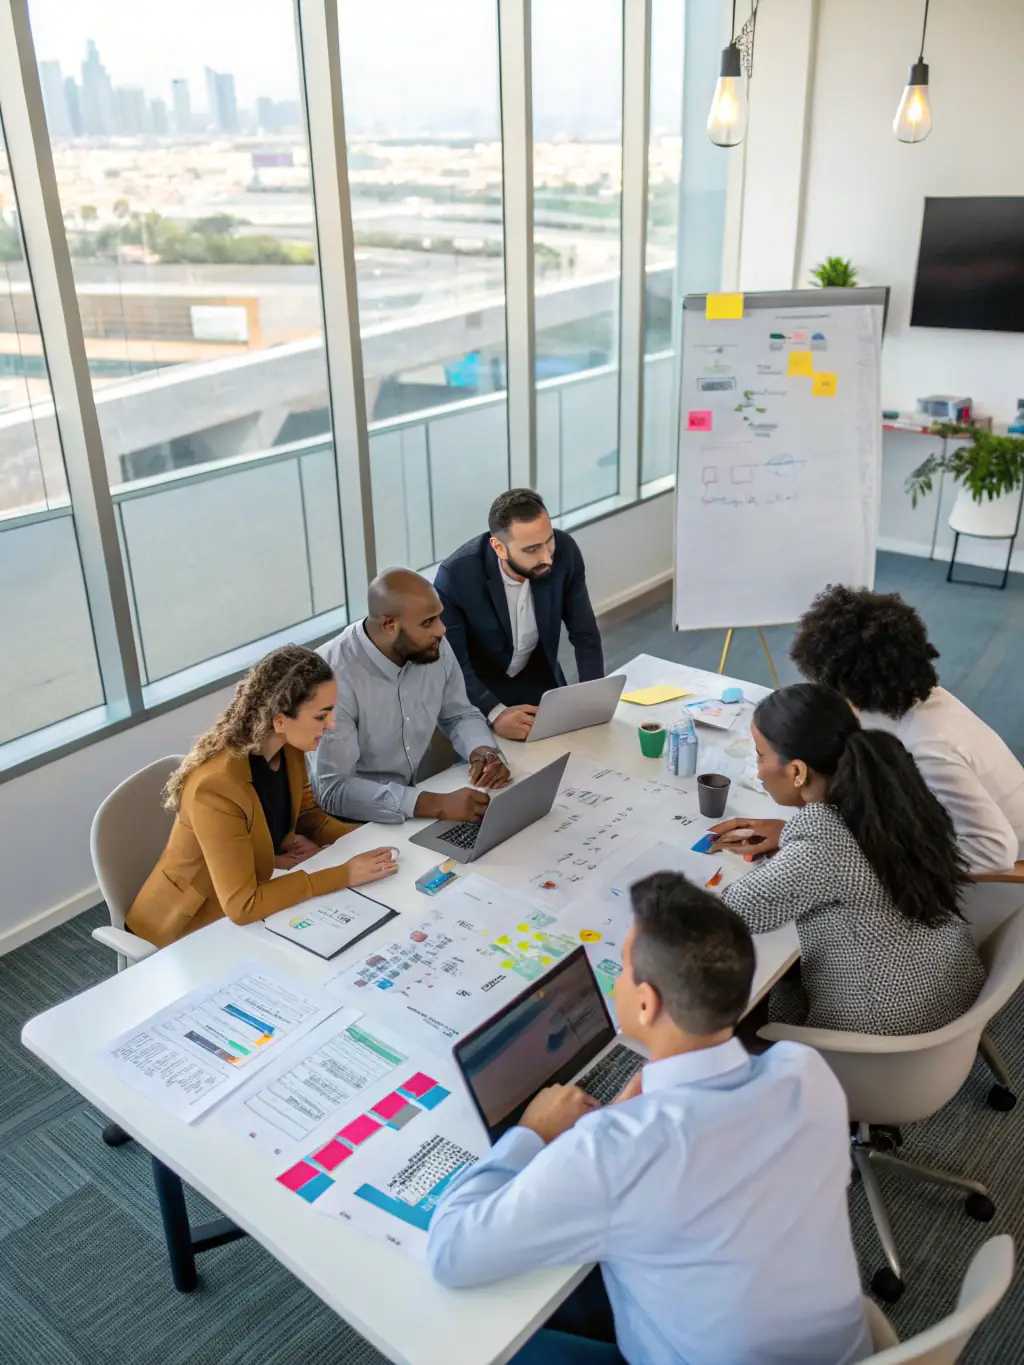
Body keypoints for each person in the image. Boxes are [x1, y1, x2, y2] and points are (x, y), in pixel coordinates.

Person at [427, 873, 871, 1365]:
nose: (615, 980)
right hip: (838, 1352)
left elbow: (451, 1252)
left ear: (647, 1002)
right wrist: (622, 1124)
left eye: (620, 968)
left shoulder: (611, 1151)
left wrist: (531, 1133)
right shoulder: (804, 1071)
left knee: (471, 1337)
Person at [713, 682, 985, 1034]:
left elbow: (737, 912)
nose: (759, 769)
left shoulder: (822, 835)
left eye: (761, 755)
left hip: (880, 1036)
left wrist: (795, 843)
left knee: (735, 1000)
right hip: (954, 995)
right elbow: (853, 859)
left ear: (797, 771)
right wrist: (789, 833)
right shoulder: (891, 792)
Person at [126, 646, 398, 949]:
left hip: (252, 895)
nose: (332, 724)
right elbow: (243, 905)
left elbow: (307, 816)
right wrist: (344, 874)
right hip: (185, 930)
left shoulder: (289, 747)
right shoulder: (216, 786)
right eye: (322, 715)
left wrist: (364, 839)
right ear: (279, 720)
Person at [791, 584, 1024, 874]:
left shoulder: (929, 747)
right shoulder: (909, 694)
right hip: (957, 823)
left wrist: (880, 855)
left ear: (853, 684)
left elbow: (995, 852)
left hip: (1001, 871)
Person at [309, 568, 510, 825]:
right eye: (428, 622)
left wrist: (483, 752)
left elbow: (459, 713)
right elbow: (334, 790)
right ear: (389, 625)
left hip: (415, 807)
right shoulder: (332, 676)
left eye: (439, 617)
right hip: (352, 825)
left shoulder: (431, 644)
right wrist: (435, 805)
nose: (442, 630)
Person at [434, 489, 604, 741]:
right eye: (532, 549)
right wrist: (495, 713)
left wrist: (592, 701)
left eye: (549, 541)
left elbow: (585, 634)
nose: (546, 557)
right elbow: (454, 664)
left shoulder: (565, 551)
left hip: (538, 680)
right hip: (480, 693)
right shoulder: (457, 576)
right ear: (499, 548)